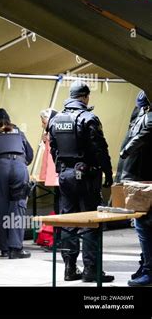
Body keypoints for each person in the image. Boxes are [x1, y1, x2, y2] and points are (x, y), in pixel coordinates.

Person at [48, 80, 114, 283]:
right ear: (85, 97)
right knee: (91, 222)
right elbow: (100, 149)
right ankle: (91, 269)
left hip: (65, 176)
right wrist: (108, 173)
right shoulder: (89, 118)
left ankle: (69, 268)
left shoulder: (56, 119)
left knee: (69, 221)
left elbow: (53, 149)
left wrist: (63, 169)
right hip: (87, 177)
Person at [0, 108, 34, 259]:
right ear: (10, 120)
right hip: (19, 167)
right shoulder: (19, 133)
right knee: (18, 207)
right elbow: (29, 154)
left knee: (1, 208)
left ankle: (4, 248)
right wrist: (19, 163)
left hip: (0, 169)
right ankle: (16, 248)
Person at [119, 90, 152, 287]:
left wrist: (126, 150)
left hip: (144, 179)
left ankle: (148, 269)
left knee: (144, 226)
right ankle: (146, 265)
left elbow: (139, 138)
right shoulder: (141, 113)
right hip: (138, 178)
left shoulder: (144, 116)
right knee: (143, 226)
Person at [39, 108, 60, 214]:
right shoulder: (49, 133)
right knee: (58, 200)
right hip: (56, 175)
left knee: (60, 201)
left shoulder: (57, 132)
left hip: (59, 174)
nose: (42, 125)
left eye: (44, 122)